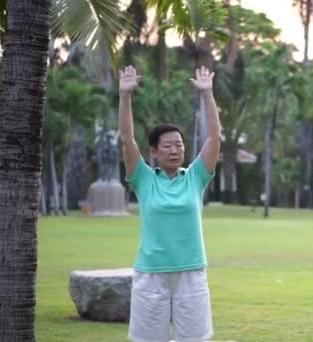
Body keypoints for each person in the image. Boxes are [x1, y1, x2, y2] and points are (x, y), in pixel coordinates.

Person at [119, 65, 221, 342]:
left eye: (179, 145)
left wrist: (208, 95)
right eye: (167, 146)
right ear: (153, 151)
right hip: (151, 274)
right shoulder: (144, 179)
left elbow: (214, 138)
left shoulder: (195, 177)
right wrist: (125, 96)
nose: (175, 150)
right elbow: (127, 139)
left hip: (191, 272)